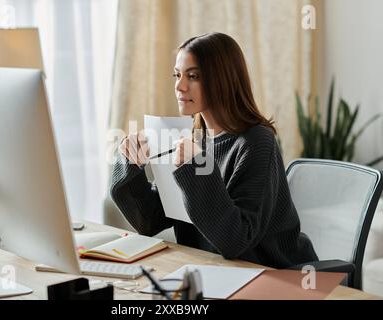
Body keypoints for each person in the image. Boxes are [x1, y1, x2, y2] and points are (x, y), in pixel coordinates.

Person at [110, 32, 318, 268]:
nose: (179, 85)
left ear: (222, 79)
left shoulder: (257, 142)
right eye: (177, 75)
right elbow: (149, 220)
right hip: (212, 270)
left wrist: (196, 167)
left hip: (273, 274)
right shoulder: (192, 138)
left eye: (193, 76)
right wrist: (129, 162)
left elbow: (236, 240)